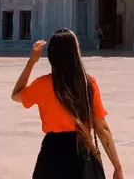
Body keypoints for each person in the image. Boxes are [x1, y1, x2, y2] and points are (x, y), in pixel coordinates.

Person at [11, 28, 124, 179]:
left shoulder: (43, 84)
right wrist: (117, 167)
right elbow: (102, 128)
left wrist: (32, 62)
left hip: (52, 155)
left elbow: (16, 94)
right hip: (81, 152)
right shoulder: (87, 83)